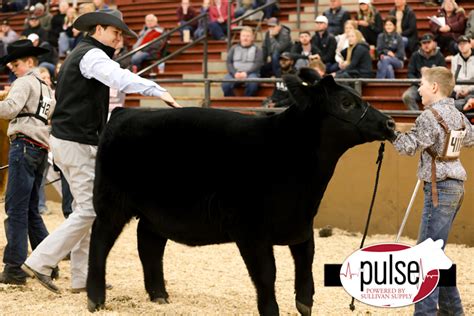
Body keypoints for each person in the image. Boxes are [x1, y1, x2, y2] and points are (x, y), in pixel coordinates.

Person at [21, 9, 181, 294]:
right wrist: (157, 90)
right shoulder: (92, 56)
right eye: (115, 32)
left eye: (121, 33)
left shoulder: (84, 54)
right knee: (89, 208)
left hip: (73, 140)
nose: (119, 38)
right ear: (98, 29)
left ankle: (82, 278)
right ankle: (40, 261)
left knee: (87, 208)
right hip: (75, 141)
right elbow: (119, 79)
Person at [391, 66, 473, 316]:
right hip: (456, 187)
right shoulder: (458, 115)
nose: (418, 89)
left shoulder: (429, 116)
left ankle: (425, 313)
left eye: (422, 84)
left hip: (439, 189)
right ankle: (452, 311)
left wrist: (387, 132)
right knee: (435, 253)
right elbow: (470, 139)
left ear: (434, 87)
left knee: (425, 257)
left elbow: (407, 147)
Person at [0, 39, 56, 285]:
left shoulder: (23, 82)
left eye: (16, 63)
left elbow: (10, 109)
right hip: (41, 148)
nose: (12, 67)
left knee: (16, 208)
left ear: (30, 62)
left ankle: (14, 268)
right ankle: (48, 263)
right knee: (31, 209)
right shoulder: (46, 87)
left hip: (23, 146)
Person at [402, 33, 446, 110]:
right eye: (424, 43)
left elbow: (443, 76)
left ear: (434, 43)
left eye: (428, 42)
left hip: (434, 88)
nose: (426, 45)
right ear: (421, 45)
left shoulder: (440, 56)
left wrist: (430, 73)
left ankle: (431, 119)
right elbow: (410, 73)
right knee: (407, 96)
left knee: (435, 99)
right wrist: (419, 82)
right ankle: (417, 118)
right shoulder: (415, 56)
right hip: (418, 85)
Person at [222, 26, 262, 97]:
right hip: (234, 74)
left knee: (253, 84)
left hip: (251, 74)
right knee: (225, 84)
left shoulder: (257, 49)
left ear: (252, 38)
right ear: (240, 37)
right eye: (243, 36)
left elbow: (258, 63)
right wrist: (234, 73)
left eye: (248, 36)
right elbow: (229, 62)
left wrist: (246, 73)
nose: (245, 38)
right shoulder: (233, 48)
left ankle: (247, 102)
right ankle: (232, 102)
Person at [451, 35, 474, 113]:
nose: (462, 46)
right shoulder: (454, 59)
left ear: (470, 44)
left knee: (471, 94)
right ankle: (466, 103)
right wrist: (458, 90)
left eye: (464, 43)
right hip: (458, 89)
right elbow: (453, 79)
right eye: (460, 44)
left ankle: (467, 102)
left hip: (472, 88)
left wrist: (468, 89)